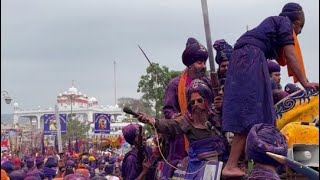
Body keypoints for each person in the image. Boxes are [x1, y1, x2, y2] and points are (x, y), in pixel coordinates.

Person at [222, 2, 319, 178]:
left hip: (249, 58)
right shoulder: (283, 23)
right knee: (249, 110)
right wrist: (305, 82)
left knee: (259, 113)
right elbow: (290, 54)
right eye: (300, 27)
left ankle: (242, 164)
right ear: (294, 22)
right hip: (250, 58)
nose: (299, 33)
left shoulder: (273, 27)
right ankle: (231, 164)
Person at [137, 79, 227, 179]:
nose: (196, 104)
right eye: (192, 102)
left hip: (222, 164)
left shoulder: (218, 116)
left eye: (199, 100)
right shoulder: (187, 121)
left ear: (207, 100)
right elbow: (169, 124)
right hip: (199, 169)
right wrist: (152, 121)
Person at [162, 37, 212, 178]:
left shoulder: (208, 83)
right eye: (199, 62)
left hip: (206, 137)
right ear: (190, 64)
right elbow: (168, 110)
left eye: (205, 63)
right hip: (181, 139)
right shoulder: (175, 84)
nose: (203, 66)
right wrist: (177, 117)